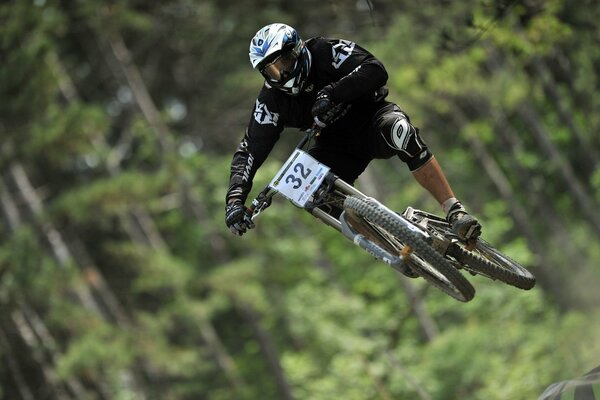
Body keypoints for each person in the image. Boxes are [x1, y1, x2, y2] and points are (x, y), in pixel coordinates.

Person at [225, 23, 481, 242]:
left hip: (372, 119)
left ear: (299, 50)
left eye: (286, 62)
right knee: (309, 193)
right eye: (272, 70)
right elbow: (250, 149)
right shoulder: (270, 100)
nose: (282, 74)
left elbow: (375, 69)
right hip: (335, 144)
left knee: (401, 132)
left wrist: (333, 92)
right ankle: (390, 246)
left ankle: (454, 210)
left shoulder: (325, 50)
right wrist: (235, 200)